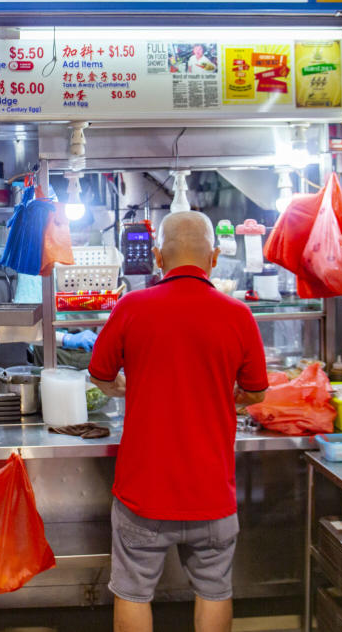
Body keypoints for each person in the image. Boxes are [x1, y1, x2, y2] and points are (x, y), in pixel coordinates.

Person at [88, 211, 268, 632]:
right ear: (215, 258)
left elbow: (99, 375)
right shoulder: (238, 315)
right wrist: (222, 397)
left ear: (156, 258)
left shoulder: (132, 307)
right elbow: (257, 391)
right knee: (214, 591)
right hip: (211, 492)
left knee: (133, 592)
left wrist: (131, 388)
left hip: (143, 495)